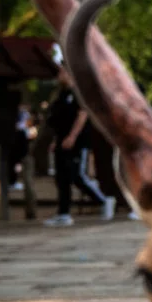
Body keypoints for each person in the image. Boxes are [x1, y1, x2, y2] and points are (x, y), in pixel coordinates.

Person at [44, 66, 115, 226]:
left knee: (77, 175)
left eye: (62, 72)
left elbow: (82, 115)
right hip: (62, 141)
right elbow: (59, 121)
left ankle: (104, 200)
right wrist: (57, 140)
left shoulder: (78, 93)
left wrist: (73, 136)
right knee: (61, 178)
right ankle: (63, 213)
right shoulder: (61, 94)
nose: (59, 75)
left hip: (77, 142)